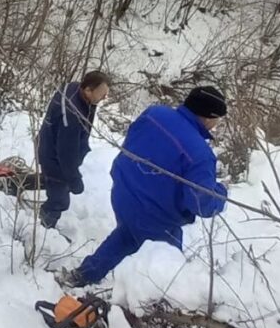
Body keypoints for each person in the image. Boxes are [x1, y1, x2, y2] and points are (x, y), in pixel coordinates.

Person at [61, 86, 229, 287]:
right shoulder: (200, 154)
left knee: (126, 236)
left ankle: (83, 275)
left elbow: (134, 141)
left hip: (124, 192)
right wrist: (221, 195)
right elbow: (201, 202)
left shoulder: (154, 113)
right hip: (156, 217)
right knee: (167, 272)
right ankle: (149, 309)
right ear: (209, 117)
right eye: (218, 119)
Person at [37, 71, 110, 229]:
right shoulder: (72, 115)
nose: (105, 98)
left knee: (50, 181)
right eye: (102, 94)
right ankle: (42, 230)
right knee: (60, 200)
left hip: (50, 144)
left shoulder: (74, 88)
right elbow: (66, 154)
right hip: (53, 156)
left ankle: (17, 184)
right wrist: (75, 180)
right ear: (88, 90)